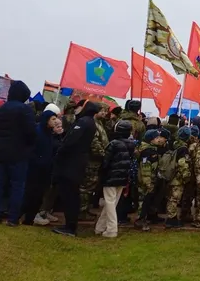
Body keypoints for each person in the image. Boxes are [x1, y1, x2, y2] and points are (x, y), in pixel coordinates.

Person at [0, 80, 36, 226]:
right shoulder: (25, 110)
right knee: (17, 185)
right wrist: (29, 147)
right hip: (19, 153)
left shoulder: (0, 110)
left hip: (1, 152)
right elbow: (31, 133)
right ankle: (13, 218)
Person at [51, 100, 100, 237]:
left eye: (78, 107)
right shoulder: (90, 122)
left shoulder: (84, 122)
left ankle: (70, 227)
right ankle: (70, 225)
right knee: (72, 195)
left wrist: (60, 150)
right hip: (77, 162)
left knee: (70, 195)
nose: (76, 109)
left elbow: (70, 141)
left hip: (72, 163)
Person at [96, 120, 134, 238]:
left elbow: (105, 161)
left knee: (110, 202)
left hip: (110, 177)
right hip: (123, 177)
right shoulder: (131, 144)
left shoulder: (113, 144)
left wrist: (101, 173)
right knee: (112, 202)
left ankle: (112, 229)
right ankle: (100, 227)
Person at [23, 111, 61, 226]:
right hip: (35, 169)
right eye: (53, 119)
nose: (55, 121)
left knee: (38, 195)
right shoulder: (38, 131)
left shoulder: (49, 133)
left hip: (44, 169)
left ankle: (29, 218)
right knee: (31, 194)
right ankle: (23, 217)